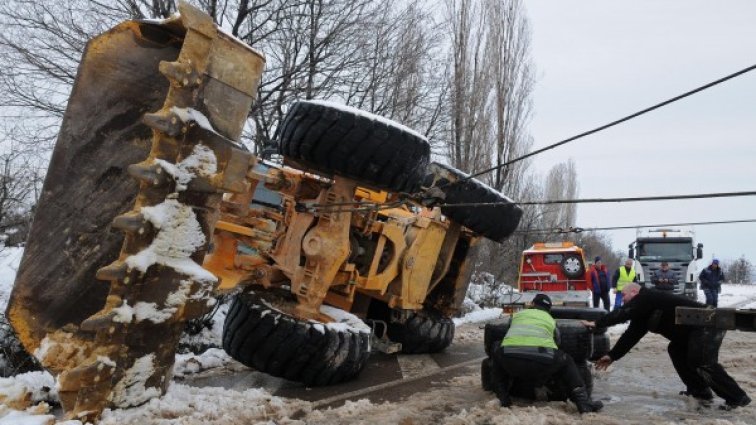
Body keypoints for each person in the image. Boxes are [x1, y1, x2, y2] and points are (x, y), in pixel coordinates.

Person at [587, 283, 751, 410]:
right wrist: (612, 355)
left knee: (701, 362)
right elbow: (631, 336)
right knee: (676, 350)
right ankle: (700, 391)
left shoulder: (647, 297)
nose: (623, 300)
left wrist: (597, 323)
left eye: (624, 295)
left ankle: (737, 398)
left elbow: (623, 313)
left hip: (708, 324)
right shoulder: (642, 314)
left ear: (634, 292)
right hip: (692, 332)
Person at [491, 293, 603, 413]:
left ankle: (503, 400)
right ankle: (583, 403)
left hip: (510, 359)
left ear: (532, 304)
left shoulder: (517, 315)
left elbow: (508, 331)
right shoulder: (550, 320)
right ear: (549, 309)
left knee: (497, 352)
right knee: (567, 361)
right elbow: (557, 341)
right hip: (541, 360)